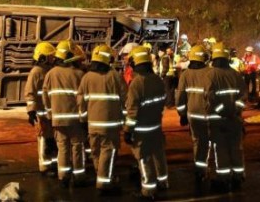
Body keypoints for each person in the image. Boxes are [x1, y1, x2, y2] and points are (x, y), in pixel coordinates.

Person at [77, 44, 127, 194]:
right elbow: (126, 98)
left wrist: (83, 120)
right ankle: (105, 183)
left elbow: (81, 101)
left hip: (92, 125)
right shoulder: (115, 76)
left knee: (96, 152)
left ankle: (102, 176)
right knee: (108, 152)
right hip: (110, 125)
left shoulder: (86, 78)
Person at [124, 46, 169, 199]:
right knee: (158, 155)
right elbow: (163, 101)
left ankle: (148, 190)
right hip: (155, 125)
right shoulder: (157, 80)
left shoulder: (137, 83)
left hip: (141, 129)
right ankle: (163, 182)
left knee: (144, 158)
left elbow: (132, 110)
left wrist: (128, 130)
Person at [42, 40, 87, 187]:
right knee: (77, 148)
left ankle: (63, 177)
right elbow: (83, 98)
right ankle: (79, 177)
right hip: (76, 120)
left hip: (58, 120)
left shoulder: (50, 74)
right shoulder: (80, 74)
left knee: (62, 148)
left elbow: (45, 96)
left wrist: (50, 115)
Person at [206, 42, 248, 192]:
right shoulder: (236, 74)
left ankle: (223, 179)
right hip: (235, 119)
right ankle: (237, 177)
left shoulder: (210, 74)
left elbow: (210, 98)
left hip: (219, 120)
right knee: (236, 148)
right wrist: (234, 111)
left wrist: (222, 111)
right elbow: (243, 97)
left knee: (220, 150)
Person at [175, 44, 213, 184]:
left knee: (198, 142)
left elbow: (180, 97)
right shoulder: (211, 72)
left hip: (192, 114)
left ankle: (200, 169)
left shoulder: (185, 74)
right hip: (208, 113)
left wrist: (182, 114)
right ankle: (206, 169)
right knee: (209, 142)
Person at [25, 41, 57, 175]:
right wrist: (31, 111)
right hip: (41, 113)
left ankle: (53, 163)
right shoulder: (36, 72)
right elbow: (29, 92)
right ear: (42, 57)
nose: (53, 59)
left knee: (52, 139)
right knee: (44, 139)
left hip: (49, 112)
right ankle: (44, 167)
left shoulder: (48, 71)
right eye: (50, 56)